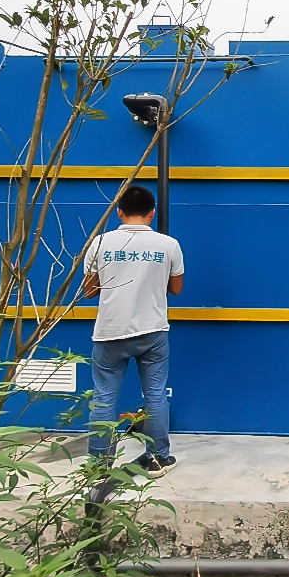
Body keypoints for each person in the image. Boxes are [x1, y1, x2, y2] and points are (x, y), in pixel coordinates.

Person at [83, 185, 184, 478]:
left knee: (103, 398)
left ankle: (99, 466)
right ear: (152, 213)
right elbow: (176, 288)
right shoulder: (169, 245)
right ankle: (158, 459)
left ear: (119, 212)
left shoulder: (100, 243)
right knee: (155, 396)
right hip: (152, 330)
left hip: (110, 331)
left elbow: (89, 291)